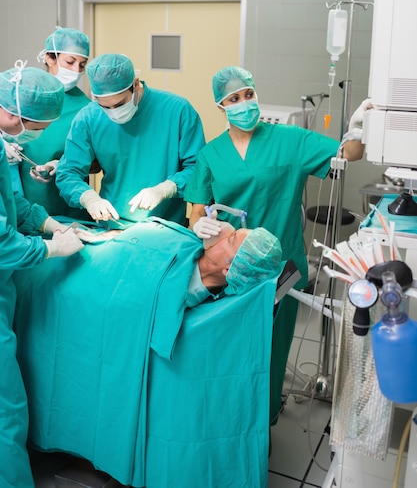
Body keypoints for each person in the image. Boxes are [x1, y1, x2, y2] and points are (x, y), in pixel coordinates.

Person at [13, 216, 283, 487]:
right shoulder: (198, 251)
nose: (225, 232)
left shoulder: (178, 294)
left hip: (81, 278)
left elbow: (130, 310)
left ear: (229, 269)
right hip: (104, 243)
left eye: (232, 238)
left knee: (30, 277)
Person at [184, 65, 369, 424]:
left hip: (282, 267)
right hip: (232, 268)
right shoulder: (211, 154)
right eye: (233, 99)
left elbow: (349, 154)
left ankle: (263, 423)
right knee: (235, 350)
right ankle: (232, 420)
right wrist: (200, 225)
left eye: (248, 95)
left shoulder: (291, 141)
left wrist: (360, 126)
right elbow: (195, 209)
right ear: (221, 108)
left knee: (271, 353)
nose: (244, 104)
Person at [0, 64, 85, 488]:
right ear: (16, 115)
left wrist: (50, 224)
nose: (37, 134)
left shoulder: (3, 147)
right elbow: (0, 241)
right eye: (38, 125)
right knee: (4, 410)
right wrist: (49, 248)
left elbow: (15, 204)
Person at [55, 53, 206, 226]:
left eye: (119, 104)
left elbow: (198, 169)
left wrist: (167, 188)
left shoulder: (177, 110)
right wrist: (89, 198)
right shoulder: (89, 117)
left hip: (165, 227)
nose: (113, 112)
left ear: (135, 84)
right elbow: (68, 172)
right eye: (105, 107)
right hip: (112, 225)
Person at [16, 27, 92, 218]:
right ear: (49, 58)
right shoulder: (20, 95)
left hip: (65, 202)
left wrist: (62, 165)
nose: (76, 71)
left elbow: (98, 162)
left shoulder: (86, 107)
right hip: (19, 195)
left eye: (82, 65)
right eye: (70, 62)